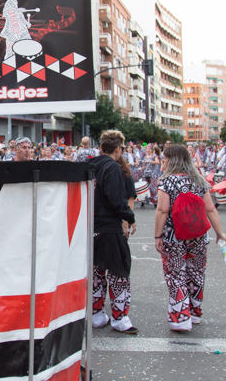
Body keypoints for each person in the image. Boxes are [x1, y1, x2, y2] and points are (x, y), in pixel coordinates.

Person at [154, 145, 226, 332]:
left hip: (174, 237)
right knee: (196, 273)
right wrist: (220, 233)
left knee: (176, 274)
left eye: (166, 158)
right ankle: (195, 313)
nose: (163, 160)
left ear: (172, 160)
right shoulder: (199, 180)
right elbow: (210, 209)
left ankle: (180, 317)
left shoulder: (167, 182)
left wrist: (158, 235)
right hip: (198, 235)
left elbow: (162, 210)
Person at [90, 130, 138, 334]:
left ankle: (96, 315)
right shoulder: (112, 167)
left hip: (89, 226)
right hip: (109, 227)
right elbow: (117, 198)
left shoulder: (90, 165)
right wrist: (130, 217)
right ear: (118, 149)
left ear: (101, 147)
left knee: (95, 274)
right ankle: (120, 318)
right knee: (119, 273)